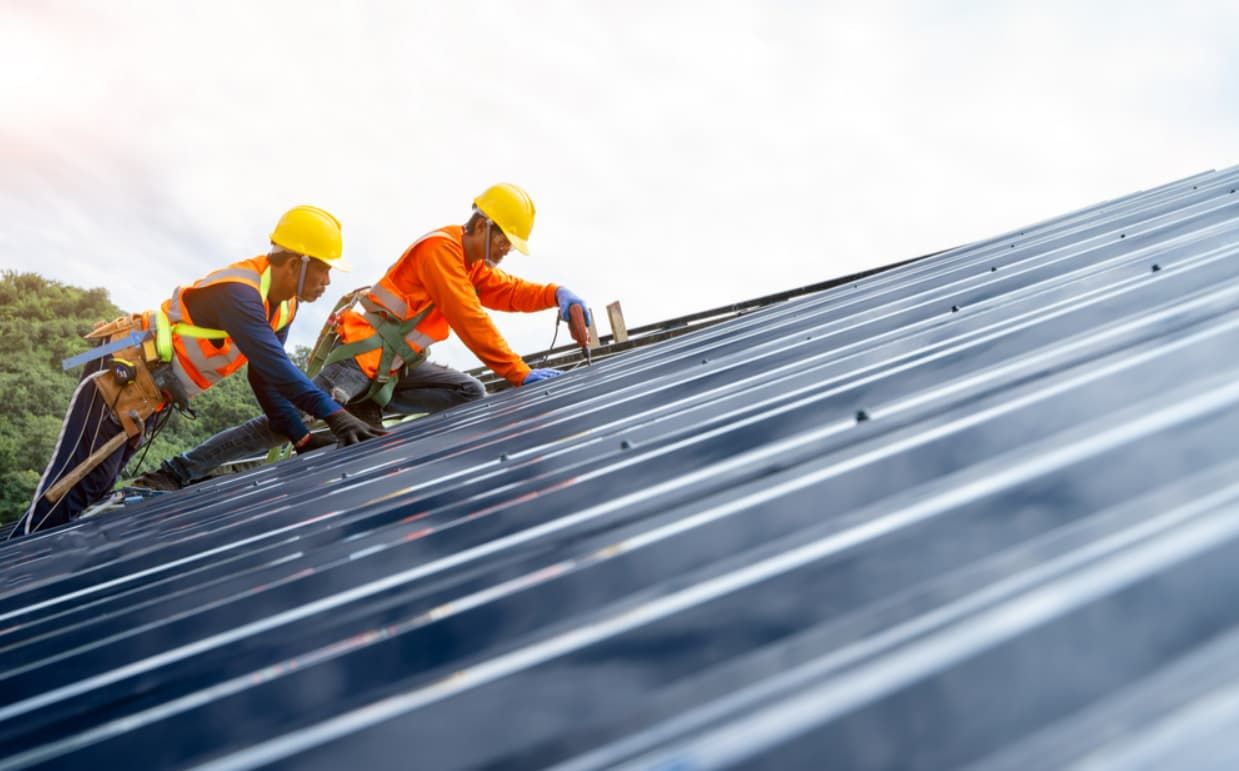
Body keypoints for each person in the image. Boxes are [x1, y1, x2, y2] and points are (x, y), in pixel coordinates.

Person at [135, 182, 590, 490]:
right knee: (287, 421)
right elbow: (468, 316)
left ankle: (389, 445)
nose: (507, 251)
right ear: (484, 226)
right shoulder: (441, 249)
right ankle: (178, 472)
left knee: (466, 393)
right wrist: (518, 374)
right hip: (359, 361)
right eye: (505, 239)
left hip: (395, 372)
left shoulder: (473, 266)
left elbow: (506, 293)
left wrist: (556, 295)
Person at [13, 205, 384, 536]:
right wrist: (335, 416)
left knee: (96, 486)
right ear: (296, 264)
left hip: (148, 396)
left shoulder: (284, 307)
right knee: (67, 491)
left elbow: (264, 377)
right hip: (119, 381)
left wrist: (301, 438)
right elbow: (276, 366)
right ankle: (18, 574)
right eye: (323, 270)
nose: (328, 282)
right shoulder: (239, 293)